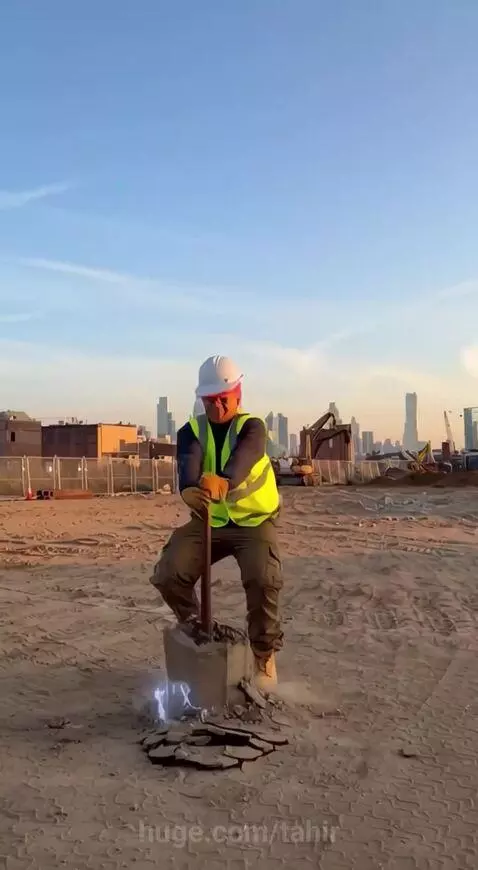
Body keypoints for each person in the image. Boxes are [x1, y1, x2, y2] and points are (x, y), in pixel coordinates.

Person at [150, 355, 283, 692]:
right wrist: (189, 490)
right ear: (202, 399)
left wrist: (224, 481)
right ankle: (197, 628)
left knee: (262, 579)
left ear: (238, 392)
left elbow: (246, 455)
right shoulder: (191, 430)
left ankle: (263, 655)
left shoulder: (252, 426)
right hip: (210, 521)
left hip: (254, 522)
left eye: (225, 397)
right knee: (169, 573)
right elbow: (188, 461)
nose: (219, 405)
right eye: (211, 400)